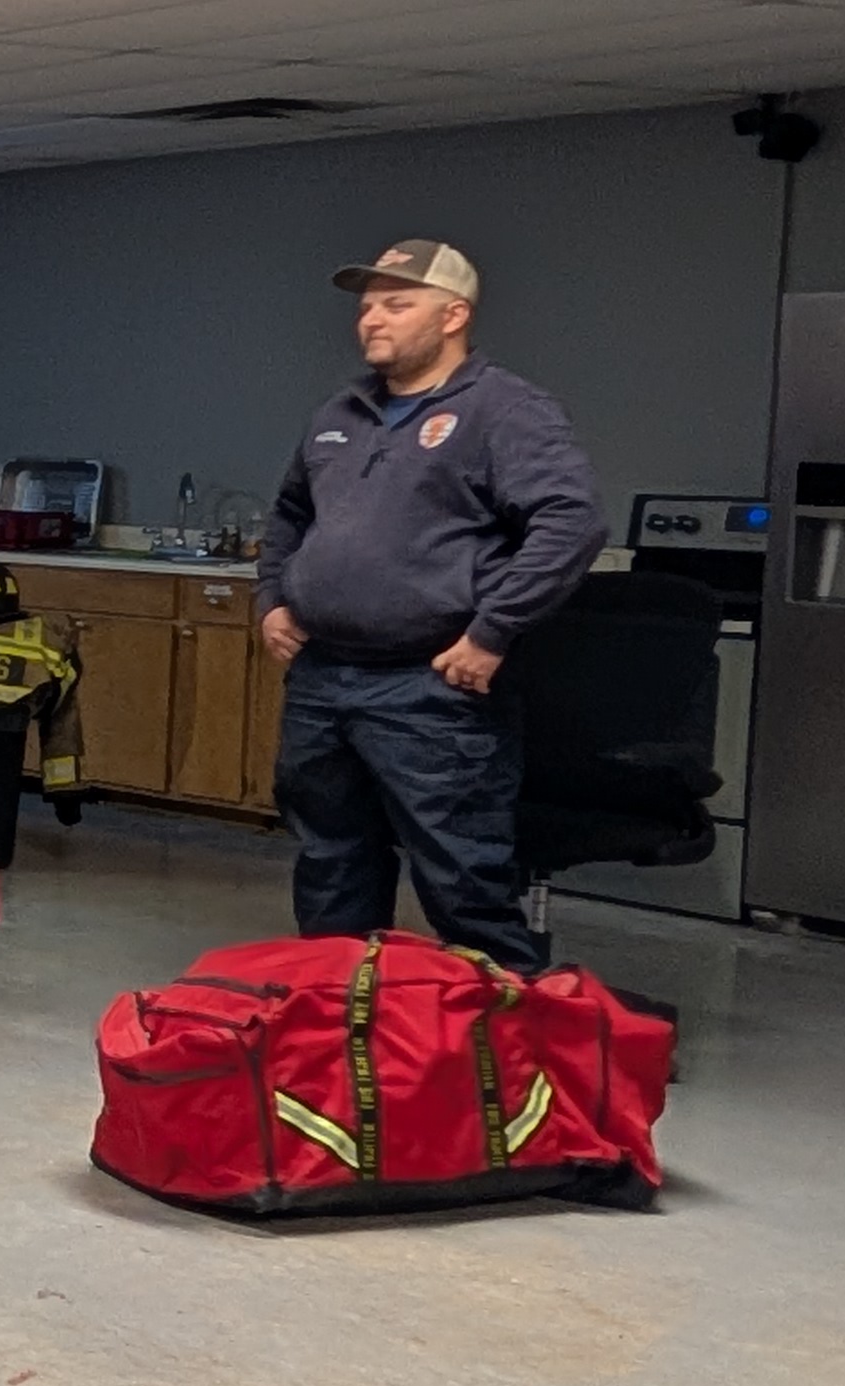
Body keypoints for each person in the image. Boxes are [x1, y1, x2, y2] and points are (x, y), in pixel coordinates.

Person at [257, 240, 604, 971]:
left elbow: (570, 523)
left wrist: (493, 631)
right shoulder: (340, 412)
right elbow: (290, 513)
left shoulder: (504, 410)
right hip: (323, 679)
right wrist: (274, 597)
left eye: (396, 304)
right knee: (330, 864)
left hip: (431, 687)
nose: (371, 319)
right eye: (367, 306)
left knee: (460, 875)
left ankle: (508, 1024)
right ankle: (344, 1010)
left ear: (453, 316)